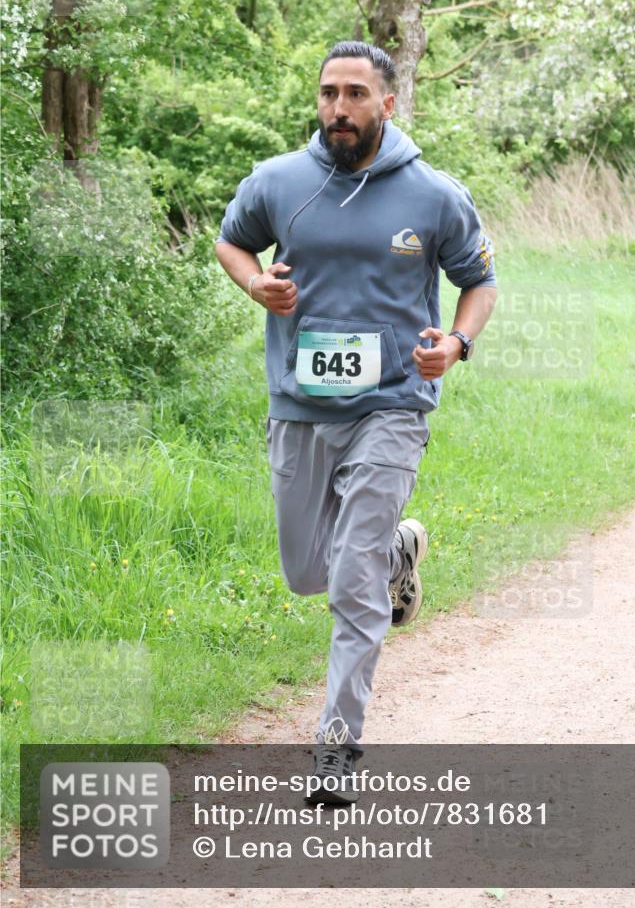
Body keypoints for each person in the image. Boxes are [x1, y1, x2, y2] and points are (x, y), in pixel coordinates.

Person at [214, 40, 497, 804]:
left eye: (354, 94)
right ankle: (398, 552)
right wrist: (254, 284)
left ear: (386, 103)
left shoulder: (434, 194)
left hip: (393, 404)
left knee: (350, 577)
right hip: (298, 405)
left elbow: (478, 281)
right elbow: (231, 241)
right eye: (328, 93)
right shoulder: (279, 181)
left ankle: (336, 750)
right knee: (307, 572)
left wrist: (455, 343)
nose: (338, 108)